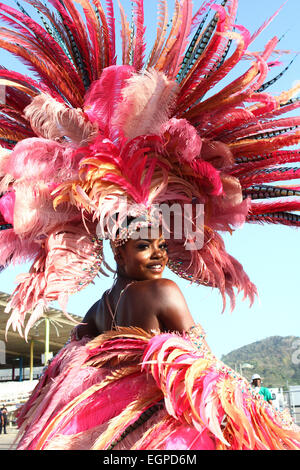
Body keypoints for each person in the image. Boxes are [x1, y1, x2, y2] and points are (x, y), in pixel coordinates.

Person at [0, 0, 300, 451]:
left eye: (161, 244)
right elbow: (204, 373)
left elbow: (68, 361)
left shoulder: (103, 306)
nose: (159, 255)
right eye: (144, 246)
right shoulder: (160, 293)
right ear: (117, 250)